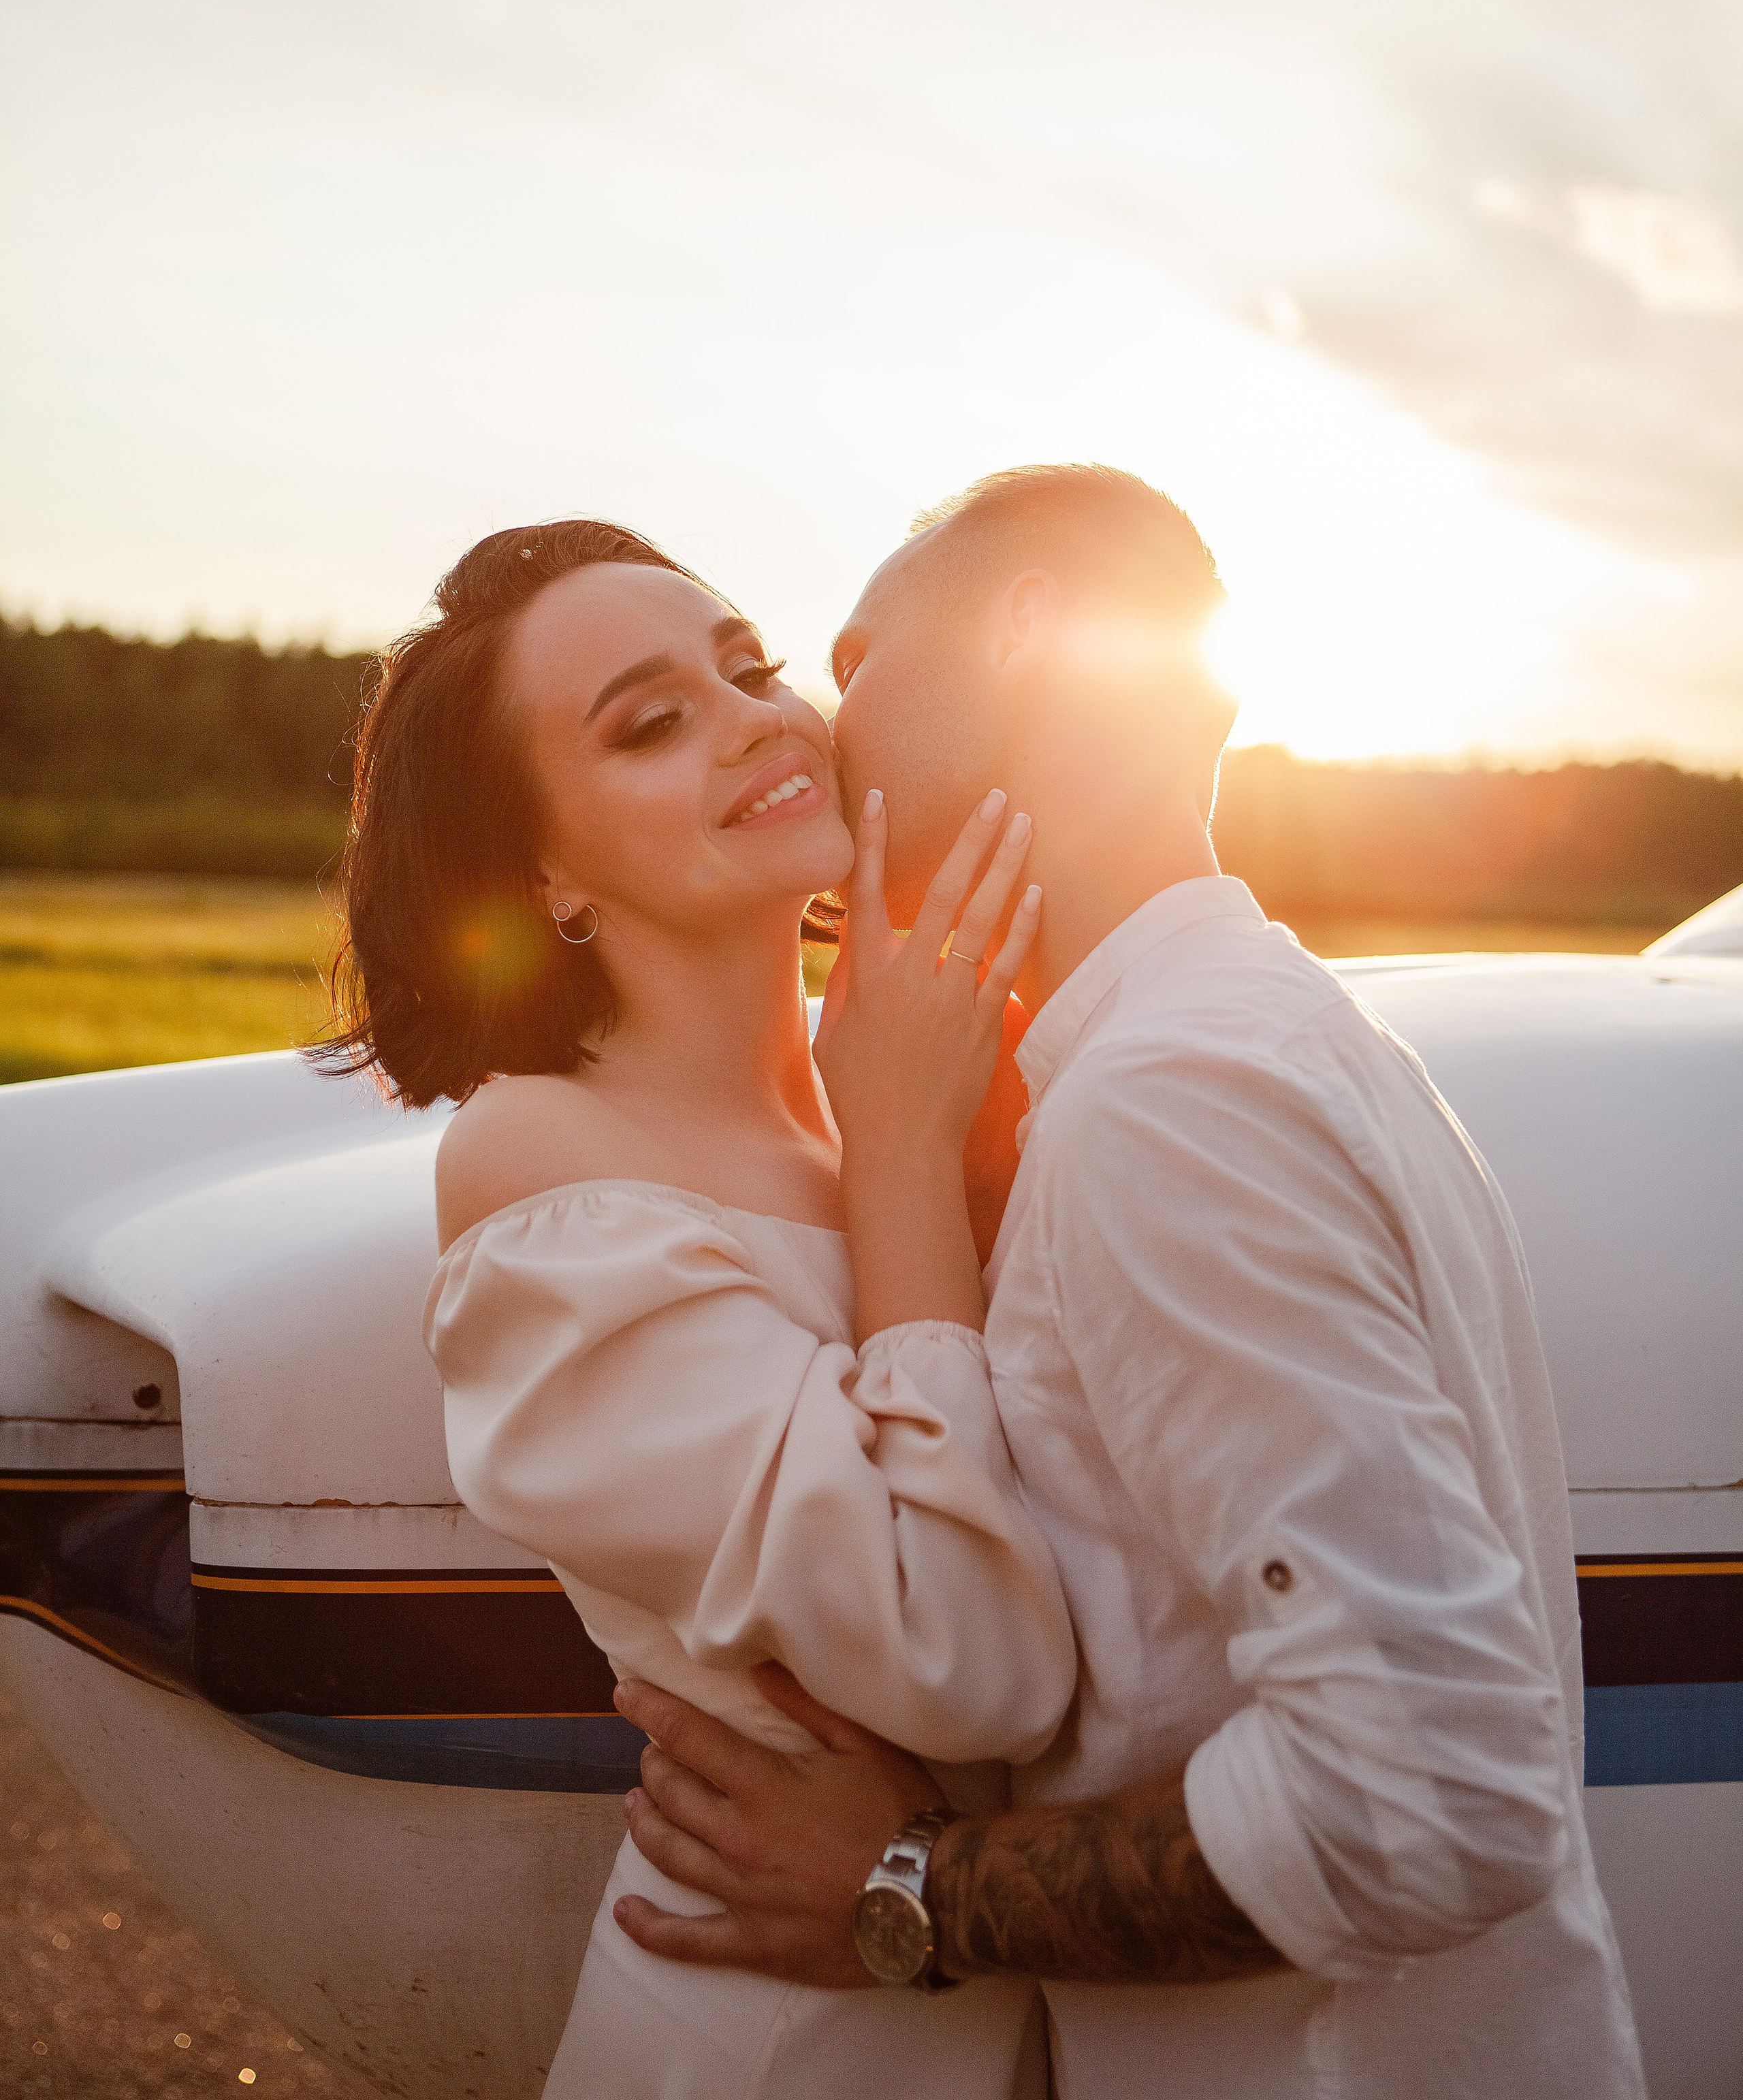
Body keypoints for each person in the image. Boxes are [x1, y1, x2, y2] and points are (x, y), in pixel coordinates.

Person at [611, 464, 1646, 2100]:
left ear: (1034, 634)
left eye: (863, 657)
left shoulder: (1170, 1103)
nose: (821, 717)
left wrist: (909, 1893)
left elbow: (1427, 1796)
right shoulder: (1280, 1036)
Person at [317, 515, 1080, 2100]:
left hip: (1015, 2010)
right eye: (653, 721)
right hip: (783, 2048)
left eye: (750, 667)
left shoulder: (903, 1061)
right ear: (541, 871)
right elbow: (964, 1665)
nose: (753, 717)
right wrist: (903, 1163)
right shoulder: (546, 1160)